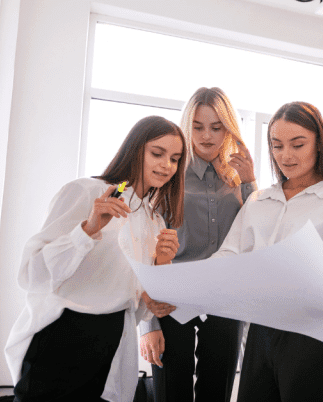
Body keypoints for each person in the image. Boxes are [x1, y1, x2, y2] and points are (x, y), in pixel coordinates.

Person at [4, 116, 187, 402]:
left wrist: (159, 272)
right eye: (157, 153)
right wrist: (88, 229)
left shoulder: (154, 220)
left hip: (113, 339)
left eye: (175, 159)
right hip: (64, 332)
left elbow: (137, 301)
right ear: (135, 149)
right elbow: (32, 274)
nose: (167, 165)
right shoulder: (87, 192)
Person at [213, 101, 323, 402]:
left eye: (297, 145)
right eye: (277, 146)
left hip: (316, 333)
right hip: (262, 331)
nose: (286, 156)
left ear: (319, 143)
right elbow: (228, 257)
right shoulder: (259, 201)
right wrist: (179, 286)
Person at [138, 87, 256, 402]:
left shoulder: (238, 177)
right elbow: (144, 249)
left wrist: (250, 181)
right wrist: (148, 324)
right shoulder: (168, 173)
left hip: (225, 297)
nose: (206, 136)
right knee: (171, 391)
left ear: (228, 129)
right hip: (172, 294)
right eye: (198, 126)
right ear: (186, 127)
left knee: (216, 391)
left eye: (216, 127)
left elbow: (258, 232)